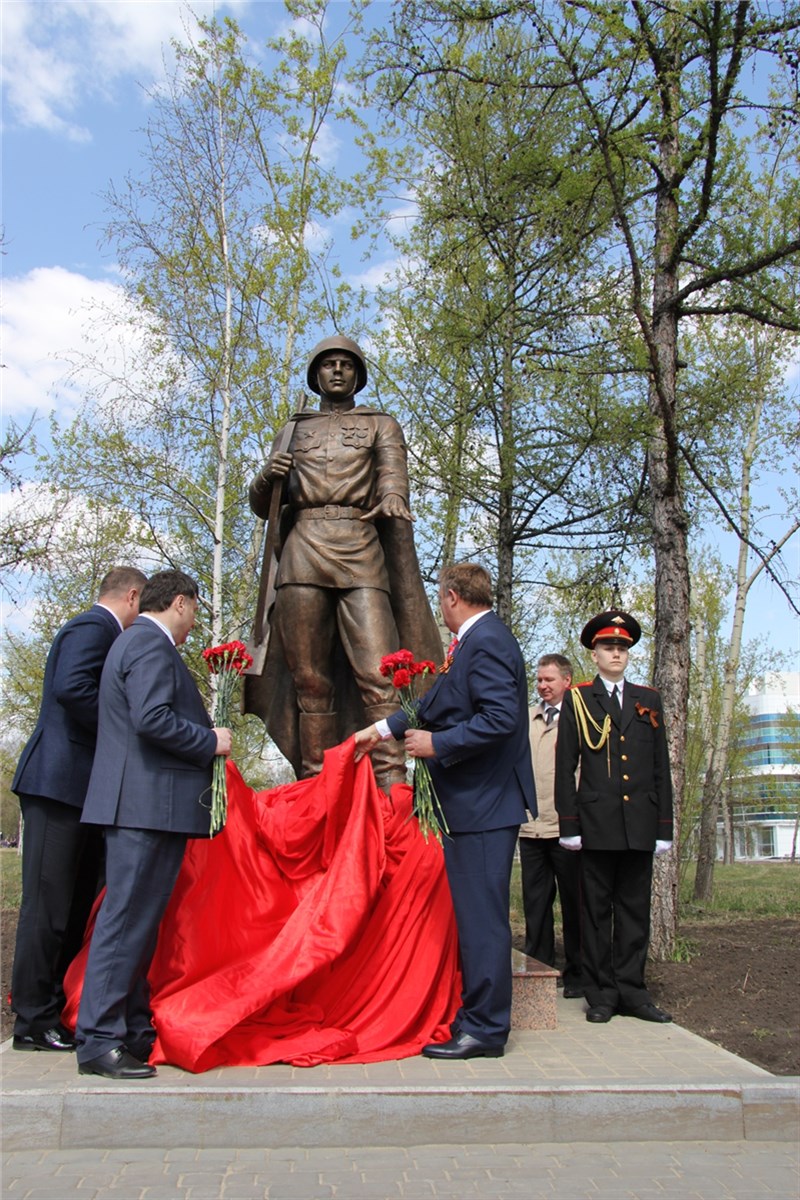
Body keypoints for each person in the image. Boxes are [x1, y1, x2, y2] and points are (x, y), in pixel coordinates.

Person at [244, 334, 441, 789]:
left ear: (358, 375)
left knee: (380, 670)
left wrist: (392, 494)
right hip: (304, 548)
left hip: (360, 545)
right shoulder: (293, 429)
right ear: (316, 374)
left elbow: (393, 473)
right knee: (309, 677)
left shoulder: (381, 425)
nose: (337, 370)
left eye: (346, 365)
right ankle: (316, 784)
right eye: (328, 364)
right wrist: (264, 478)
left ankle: (391, 784)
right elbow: (265, 505)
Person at [355, 563, 535, 1059]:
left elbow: (500, 718)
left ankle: (486, 1030)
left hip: (484, 804)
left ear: (452, 597)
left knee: (482, 920)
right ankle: (475, 1017)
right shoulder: (473, 644)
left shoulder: (490, 641)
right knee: (475, 917)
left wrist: (439, 744)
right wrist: (381, 730)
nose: (440, 606)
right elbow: (436, 701)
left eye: (440, 598)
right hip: (474, 803)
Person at [73, 570, 232, 1080]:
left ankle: (129, 1030)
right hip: (143, 808)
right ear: (180, 603)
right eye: (194, 612)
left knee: (136, 925)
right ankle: (99, 1040)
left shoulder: (137, 641)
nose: (192, 626)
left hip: (144, 807)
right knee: (124, 925)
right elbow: (153, 719)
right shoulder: (149, 643)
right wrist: (211, 740)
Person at [10, 566, 147, 1053]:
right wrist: (124, 729)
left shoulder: (104, 632)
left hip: (81, 789)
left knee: (70, 906)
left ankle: (53, 1011)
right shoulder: (93, 627)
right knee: (46, 907)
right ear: (132, 597)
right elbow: (72, 688)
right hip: (56, 783)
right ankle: (30, 1018)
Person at [555, 610, 673, 1025]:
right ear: (594, 653)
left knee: (635, 912)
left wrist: (664, 828)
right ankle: (600, 993)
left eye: (623, 647)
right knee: (595, 914)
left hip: (639, 823)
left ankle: (633, 992)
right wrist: (568, 825)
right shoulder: (579, 699)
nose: (617, 653)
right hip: (596, 825)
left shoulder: (648, 700)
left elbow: (661, 768)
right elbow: (565, 765)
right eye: (609, 647)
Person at [519, 653, 583, 997]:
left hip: (568, 831)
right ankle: (539, 973)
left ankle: (577, 975)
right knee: (536, 907)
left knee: (576, 906)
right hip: (531, 829)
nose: (543, 686)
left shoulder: (580, 718)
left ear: (566, 681)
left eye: (549, 680)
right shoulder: (526, 719)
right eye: (540, 680)